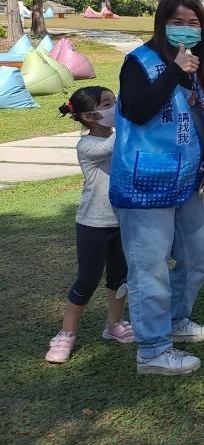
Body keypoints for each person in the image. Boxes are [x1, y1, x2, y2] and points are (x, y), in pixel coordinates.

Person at [110, 0, 204, 375]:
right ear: (162, 22)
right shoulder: (139, 62)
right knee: (149, 268)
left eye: (194, 23)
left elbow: (199, 119)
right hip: (145, 181)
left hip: (190, 178)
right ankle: (153, 350)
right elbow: (138, 111)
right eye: (178, 21)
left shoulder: (195, 69)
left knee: (196, 255)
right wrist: (173, 70)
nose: (186, 30)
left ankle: (175, 321)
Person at [45, 87, 133, 364]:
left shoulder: (119, 138)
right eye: (108, 104)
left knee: (119, 279)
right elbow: (113, 146)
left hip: (122, 222)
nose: (115, 107)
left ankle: (114, 325)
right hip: (93, 224)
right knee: (87, 280)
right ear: (89, 115)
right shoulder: (88, 146)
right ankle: (66, 334)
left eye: (115, 101)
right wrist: (132, 118)